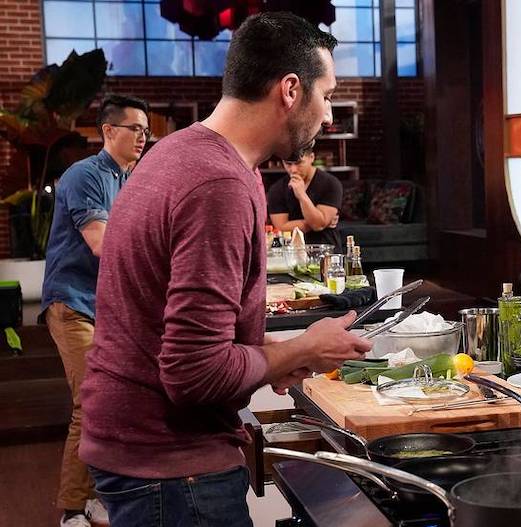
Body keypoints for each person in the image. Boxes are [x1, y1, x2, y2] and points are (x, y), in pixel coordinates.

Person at [79, 13, 371, 527]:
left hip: (138, 446)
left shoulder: (185, 152)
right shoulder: (219, 183)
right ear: (290, 90)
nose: (328, 116)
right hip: (169, 464)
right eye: (326, 96)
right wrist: (303, 349)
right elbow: (192, 373)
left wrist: (271, 357)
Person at [40, 93, 150, 527]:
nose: (142, 137)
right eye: (135, 129)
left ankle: (99, 494)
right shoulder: (85, 175)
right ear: (108, 130)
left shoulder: (130, 178)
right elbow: (103, 244)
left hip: (106, 308)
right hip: (72, 302)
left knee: (117, 400)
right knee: (91, 402)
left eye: (146, 131)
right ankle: (72, 509)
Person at [267, 145, 342, 248]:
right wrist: (316, 222)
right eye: (288, 164)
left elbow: (318, 225)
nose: (293, 170)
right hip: (292, 250)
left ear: (311, 157)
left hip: (326, 247)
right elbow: (282, 228)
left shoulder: (331, 183)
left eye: (299, 163)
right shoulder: (277, 189)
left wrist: (301, 195)